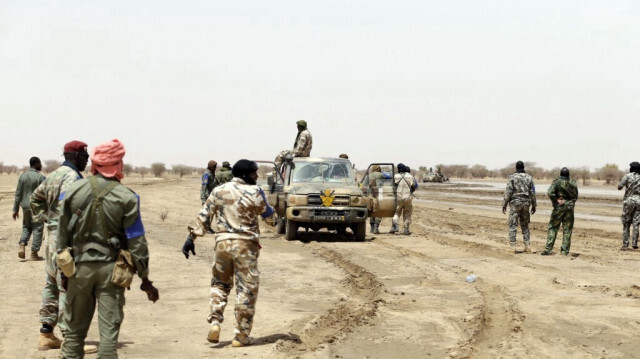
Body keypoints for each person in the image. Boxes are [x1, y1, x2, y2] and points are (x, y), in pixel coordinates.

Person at [57, 139, 159, 358]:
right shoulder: (128, 197)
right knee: (109, 338)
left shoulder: (73, 191)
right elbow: (137, 242)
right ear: (118, 164)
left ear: (94, 164)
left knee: (74, 334)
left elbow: (61, 234)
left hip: (78, 269)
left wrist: (64, 271)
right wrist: (145, 278)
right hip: (112, 272)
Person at [182, 159, 275, 347]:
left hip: (222, 244)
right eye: (254, 173)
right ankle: (241, 336)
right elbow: (271, 219)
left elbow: (204, 218)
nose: (256, 176)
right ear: (246, 174)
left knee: (220, 284)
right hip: (245, 246)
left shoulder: (218, 191)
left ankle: (215, 321)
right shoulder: (255, 191)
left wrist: (191, 238)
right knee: (246, 289)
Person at [30, 141, 96, 352]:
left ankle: (46, 334)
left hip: (51, 237)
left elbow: (35, 198)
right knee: (68, 286)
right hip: (65, 239)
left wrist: (46, 219)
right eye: (85, 157)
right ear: (76, 156)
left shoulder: (54, 175)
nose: (87, 161)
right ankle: (71, 339)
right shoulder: (72, 178)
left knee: (51, 283)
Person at [13, 156, 45, 260]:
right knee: (38, 229)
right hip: (37, 207)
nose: (41, 165)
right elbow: (45, 195)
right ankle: (34, 253)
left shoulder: (22, 176)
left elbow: (18, 194)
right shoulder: (41, 177)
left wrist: (15, 209)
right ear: (36, 163)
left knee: (26, 227)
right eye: (39, 163)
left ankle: (22, 244)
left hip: (25, 207)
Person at [541, 167, 578, 256]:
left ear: (560, 174)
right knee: (567, 229)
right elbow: (575, 196)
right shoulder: (573, 182)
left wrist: (556, 200)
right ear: (568, 174)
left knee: (553, 227)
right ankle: (564, 251)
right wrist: (570, 203)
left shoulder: (557, 182)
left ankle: (548, 249)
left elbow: (550, 192)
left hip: (559, 207)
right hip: (569, 207)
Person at [502, 161, 537, 254]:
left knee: (513, 225)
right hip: (526, 204)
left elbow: (508, 192)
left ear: (516, 167)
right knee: (525, 225)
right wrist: (534, 205)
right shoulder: (529, 177)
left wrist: (504, 204)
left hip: (515, 204)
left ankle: (512, 247)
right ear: (523, 167)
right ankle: (527, 246)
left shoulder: (512, 177)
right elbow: (532, 193)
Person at [618, 162, 640, 250]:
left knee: (626, 222)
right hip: (639, 201)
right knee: (636, 223)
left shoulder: (627, 176)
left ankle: (625, 244)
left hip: (629, 201)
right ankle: (634, 243)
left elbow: (619, 187)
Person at [390, 163, 418, 235]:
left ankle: (395, 226)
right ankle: (406, 229)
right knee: (407, 213)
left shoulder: (395, 176)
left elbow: (391, 186)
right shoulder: (410, 176)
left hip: (398, 198)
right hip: (408, 198)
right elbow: (415, 186)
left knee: (396, 212)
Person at [367, 165, 385, 234]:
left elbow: (365, 185)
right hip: (379, 194)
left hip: (371, 194)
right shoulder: (381, 175)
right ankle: (376, 228)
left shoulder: (369, 175)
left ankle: (371, 228)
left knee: (372, 210)